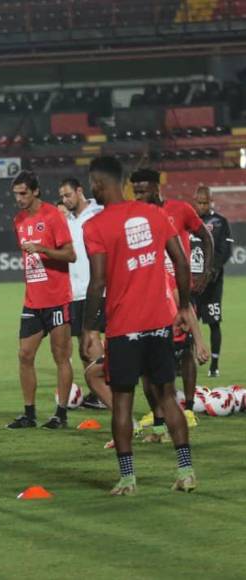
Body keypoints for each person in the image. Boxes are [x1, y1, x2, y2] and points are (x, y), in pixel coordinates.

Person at [81, 156, 197, 495]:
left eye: (92, 184)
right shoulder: (154, 214)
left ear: (100, 184)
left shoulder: (95, 226)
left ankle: (129, 479)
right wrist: (185, 305)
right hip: (160, 322)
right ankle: (186, 471)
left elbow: (98, 281)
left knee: (122, 402)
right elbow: (181, 261)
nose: (92, 189)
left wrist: (89, 328)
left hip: (124, 328)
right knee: (167, 397)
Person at [131, 169, 212, 429]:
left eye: (143, 190)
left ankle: (187, 408)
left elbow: (206, 237)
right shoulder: (135, 216)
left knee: (186, 350)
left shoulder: (181, 209)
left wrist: (206, 271)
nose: (139, 195)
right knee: (148, 358)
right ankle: (158, 415)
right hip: (150, 296)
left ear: (156, 188)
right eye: (136, 191)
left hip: (180, 292)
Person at [7, 171, 76, 430]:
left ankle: (61, 414)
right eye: (16, 194)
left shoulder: (52, 216)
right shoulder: (19, 220)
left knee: (61, 357)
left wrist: (44, 250)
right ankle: (29, 414)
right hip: (33, 300)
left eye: (23, 193)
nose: (19, 199)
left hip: (57, 299)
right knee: (25, 355)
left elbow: (71, 255)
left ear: (36, 191)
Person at [58, 178, 110, 410]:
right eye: (62, 197)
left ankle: (103, 389)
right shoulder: (66, 219)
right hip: (75, 291)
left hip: (96, 287)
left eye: (68, 195)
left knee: (93, 337)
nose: (65, 200)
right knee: (83, 340)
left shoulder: (98, 212)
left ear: (80, 191)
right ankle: (95, 391)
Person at [192, 186, 233, 377]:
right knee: (187, 322)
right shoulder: (188, 221)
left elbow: (226, 250)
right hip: (192, 284)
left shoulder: (221, 222)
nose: (202, 206)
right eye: (199, 202)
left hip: (213, 284)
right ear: (194, 201)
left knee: (214, 322)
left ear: (211, 201)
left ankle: (214, 365)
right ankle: (183, 361)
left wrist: (212, 271)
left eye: (205, 202)